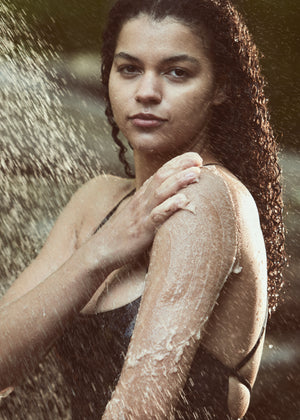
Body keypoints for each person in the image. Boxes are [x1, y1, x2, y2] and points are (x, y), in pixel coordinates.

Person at [0, 0, 285, 418]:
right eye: (129, 69)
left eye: (177, 72)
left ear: (221, 86)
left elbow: (140, 409)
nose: (146, 92)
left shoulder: (203, 195)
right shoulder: (97, 201)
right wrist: (99, 253)